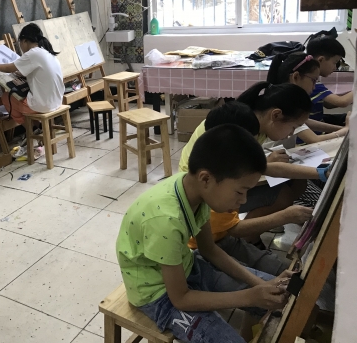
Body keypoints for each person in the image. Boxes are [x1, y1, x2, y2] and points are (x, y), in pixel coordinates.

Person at [116, 124, 292, 343]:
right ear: (206, 179)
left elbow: (209, 250)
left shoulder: (196, 192)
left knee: (277, 294)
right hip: (157, 293)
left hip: (187, 267)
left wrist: (259, 284)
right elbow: (181, 299)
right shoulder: (166, 220)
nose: (244, 200)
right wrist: (249, 296)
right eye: (240, 191)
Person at [179, 82, 333, 246]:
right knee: (282, 196)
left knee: (295, 184)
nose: (291, 133)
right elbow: (264, 168)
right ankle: (245, 240)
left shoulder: (250, 125)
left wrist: (321, 173)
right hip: (205, 189)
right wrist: (284, 217)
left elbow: (263, 167)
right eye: (293, 127)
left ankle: (248, 238)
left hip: (215, 181)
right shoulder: (236, 133)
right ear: (275, 115)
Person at [186, 102, 307, 276]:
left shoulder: (230, 164)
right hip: (209, 247)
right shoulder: (213, 186)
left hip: (222, 240)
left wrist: (320, 173)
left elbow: (272, 169)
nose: (243, 200)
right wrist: (285, 217)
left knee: (277, 272)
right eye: (240, 192)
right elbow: (215, 245)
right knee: (269, 282)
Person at [0, 23, 64, 124]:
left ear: (24, 41)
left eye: (20, 43)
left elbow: (9, 68)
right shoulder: (46, 52)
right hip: (57, 101)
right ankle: (37, 126)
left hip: (44, 105)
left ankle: (31, 127)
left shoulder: (33, 53)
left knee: (6, 97)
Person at [267, 52, 348, 144]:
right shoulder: (283, 102)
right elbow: (314, 139)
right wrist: (345, 130)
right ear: (296, 77)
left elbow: (304, 122)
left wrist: (341, 129)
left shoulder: (288, 99)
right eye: (313, 80)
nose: (314, 87)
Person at [305, 34, 353, 130]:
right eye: (334, 62)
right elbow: (342, 102)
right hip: (314, 131)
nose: (335, 68)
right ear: (321, 60)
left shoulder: (312, 78)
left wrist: (351, 99)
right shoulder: (310, 83)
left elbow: (327, 105)